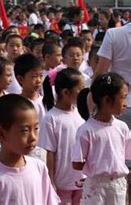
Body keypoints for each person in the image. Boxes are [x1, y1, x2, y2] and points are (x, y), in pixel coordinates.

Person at [0, 94, 59, 205]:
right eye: (25, 130)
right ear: (1, 134)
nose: (33, 137)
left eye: (36, 128)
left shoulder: (39, 168)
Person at [72, 73, 131, 205]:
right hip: (95, 187)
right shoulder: (86, 130)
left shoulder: (122, 127)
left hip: (118, 186)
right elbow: (77, 163)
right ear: (107, 100)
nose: (125, 104)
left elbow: (125, 157)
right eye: (123, 98)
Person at [38, 68, 86, 205]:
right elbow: (49, 153)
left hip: (82, 180)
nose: (83, 93)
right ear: (66, 92)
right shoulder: (51, 118)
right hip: (62, 182)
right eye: (80, 89)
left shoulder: (81, 113)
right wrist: (51, 181)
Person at [94, 19, 131, 128]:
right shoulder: (113, 34)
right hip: (119, 104)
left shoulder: (114, 34)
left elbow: (100, 75)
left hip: (118, 103)